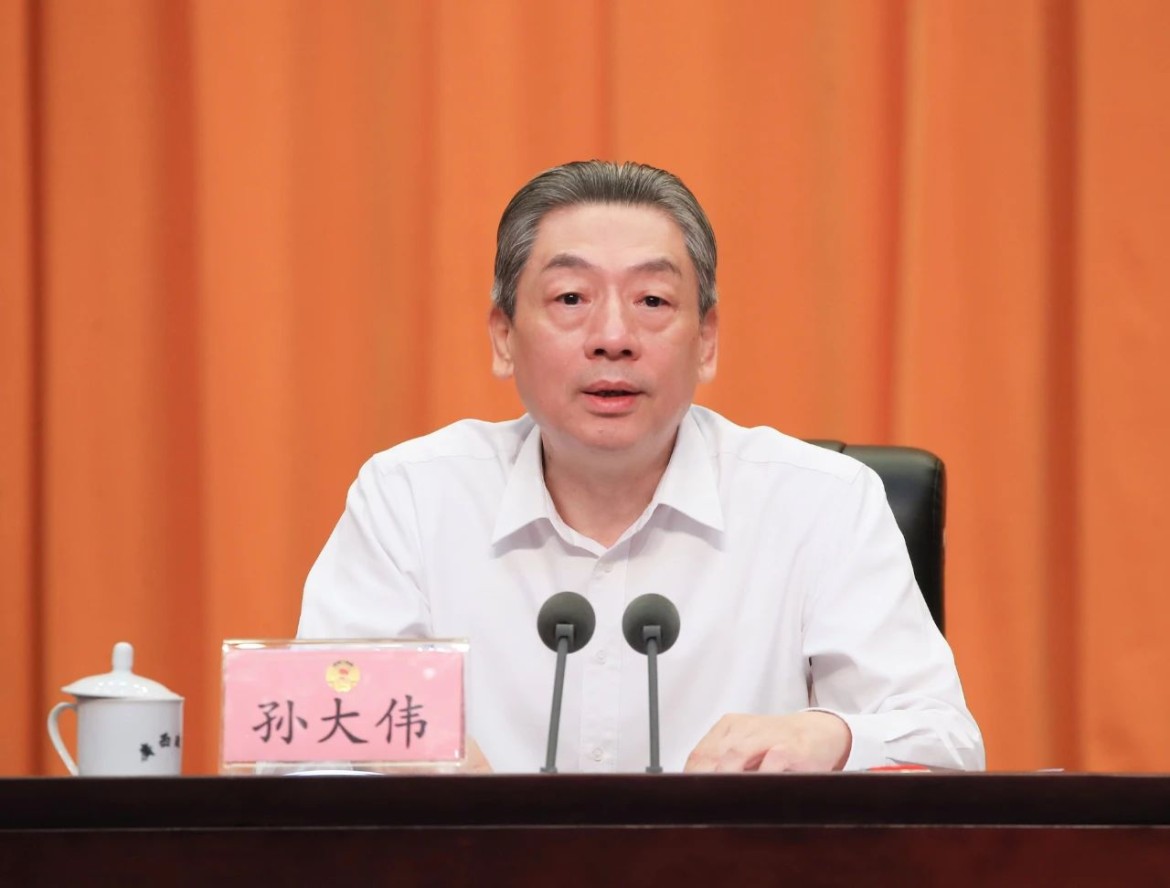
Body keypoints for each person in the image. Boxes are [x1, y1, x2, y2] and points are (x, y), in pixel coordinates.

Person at [297, 160, 984, 774]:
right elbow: (299, 747)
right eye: (571, 299)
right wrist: (398, 765)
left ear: (706, 340)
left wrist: (830, 736)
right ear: (503, 337)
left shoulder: (820, 504)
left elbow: (945, 742)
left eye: (652, 301)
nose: (613, 338)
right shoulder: (412, 499)